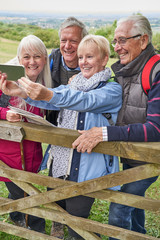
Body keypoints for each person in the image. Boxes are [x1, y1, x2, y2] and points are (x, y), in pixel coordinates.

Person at [0, 34, 122, 240]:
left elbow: (85, 101)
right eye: (81, 57)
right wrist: (22, 92)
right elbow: (54, 99)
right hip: (61, 163)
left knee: (77, 220)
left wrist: (47, 94)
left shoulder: (111, 90)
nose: (83, 62)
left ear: (104, 59)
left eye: (90, 57)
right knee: (59, 209)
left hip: (86, 169)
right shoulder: (73, 85)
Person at [72, 15, 160, 239]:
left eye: (122, 40)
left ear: (143, 40)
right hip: (131, 155)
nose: (117, 47)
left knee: (120, 207)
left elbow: (156, 128)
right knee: (134, 205)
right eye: (115, 42)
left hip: (150, 158)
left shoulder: (156, 72)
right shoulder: (126, 69)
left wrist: (104, 133)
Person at [0, 34, 52, 233]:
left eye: (37, 56)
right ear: (19, 58)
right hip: (8, 153)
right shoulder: (5, 78)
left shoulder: (46, 84)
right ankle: (37, 231)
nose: (32, 62)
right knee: (28, 194)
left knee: (24, 191)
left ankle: (17, 216)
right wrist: (6, 114)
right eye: (26, 56)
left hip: (31, 152)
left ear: (44, 59)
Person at [47, 16, 88, 125]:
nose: (67, 46)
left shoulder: (92, 66)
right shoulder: (51, 60)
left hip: (80, 126)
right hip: (54, 126)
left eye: (73, 41)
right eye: (63, 40)